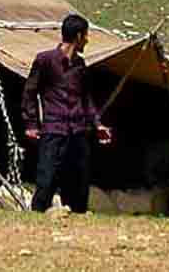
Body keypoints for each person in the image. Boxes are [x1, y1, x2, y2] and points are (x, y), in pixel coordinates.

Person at [22, 13, 113, 213]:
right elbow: (30, 93)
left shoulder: (80, 66)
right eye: (86, 35)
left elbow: (86, 99)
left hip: (78, 133)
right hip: (54, 131)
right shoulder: (45, 60)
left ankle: (76, 225)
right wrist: (31, 124)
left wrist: (98, 125)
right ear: (79, 36)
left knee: (78, 186)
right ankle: (36, 222)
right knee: (46, 181)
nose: (87, 40)